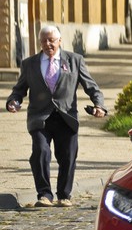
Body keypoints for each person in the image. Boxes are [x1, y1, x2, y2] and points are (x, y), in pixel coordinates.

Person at [5, 25, 107, 207]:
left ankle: (64, 195)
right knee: (41, 153)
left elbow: (91, 86)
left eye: (51, 40)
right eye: (44, 40)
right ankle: (44, 194)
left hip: (66, 116)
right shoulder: (29, 64)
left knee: (68, 156)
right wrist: (13, 101)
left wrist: (99, 105)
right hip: (40, 117)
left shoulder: (75, 60)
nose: (47, 44)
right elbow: (19, 90)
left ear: (60, 41)